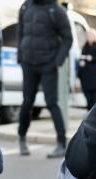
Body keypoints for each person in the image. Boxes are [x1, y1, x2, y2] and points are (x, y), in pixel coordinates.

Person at [17, 0, 73, 158]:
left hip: (48, 64)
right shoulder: (25, 6)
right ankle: (22, 138)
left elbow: (68, 38)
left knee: (51, 103)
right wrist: (20, 57)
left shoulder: (56, 11)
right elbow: (20, 32)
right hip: (28, 63)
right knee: (27, 102)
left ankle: (61, 143)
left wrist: (58, 62)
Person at [78, 30, 96, 110]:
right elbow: (82, 57)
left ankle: (94, 110)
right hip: (85, 74)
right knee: (87, 94)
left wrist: (92, 58)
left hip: (93, 73)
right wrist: (82, 62)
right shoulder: (85, 46)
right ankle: (89, 110)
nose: (89, 37)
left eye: (90, 36)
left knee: (94, 94)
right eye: (88, 36)